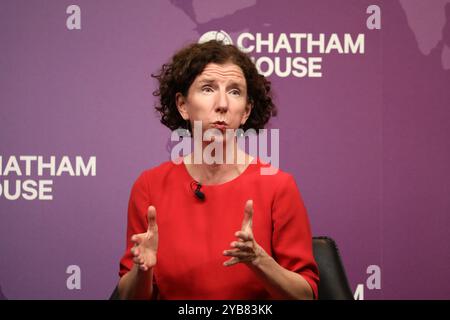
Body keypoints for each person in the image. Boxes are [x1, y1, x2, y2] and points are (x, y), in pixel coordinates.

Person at [117, 40, 319, 300]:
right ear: (182, 105)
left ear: (245, 112)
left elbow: (306, 296)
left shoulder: (278, 186)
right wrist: (142, 269)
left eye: (235, 92)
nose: (222, 104)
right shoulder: (149, 186)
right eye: (208, 88)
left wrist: (259, 260)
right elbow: (128, 296)